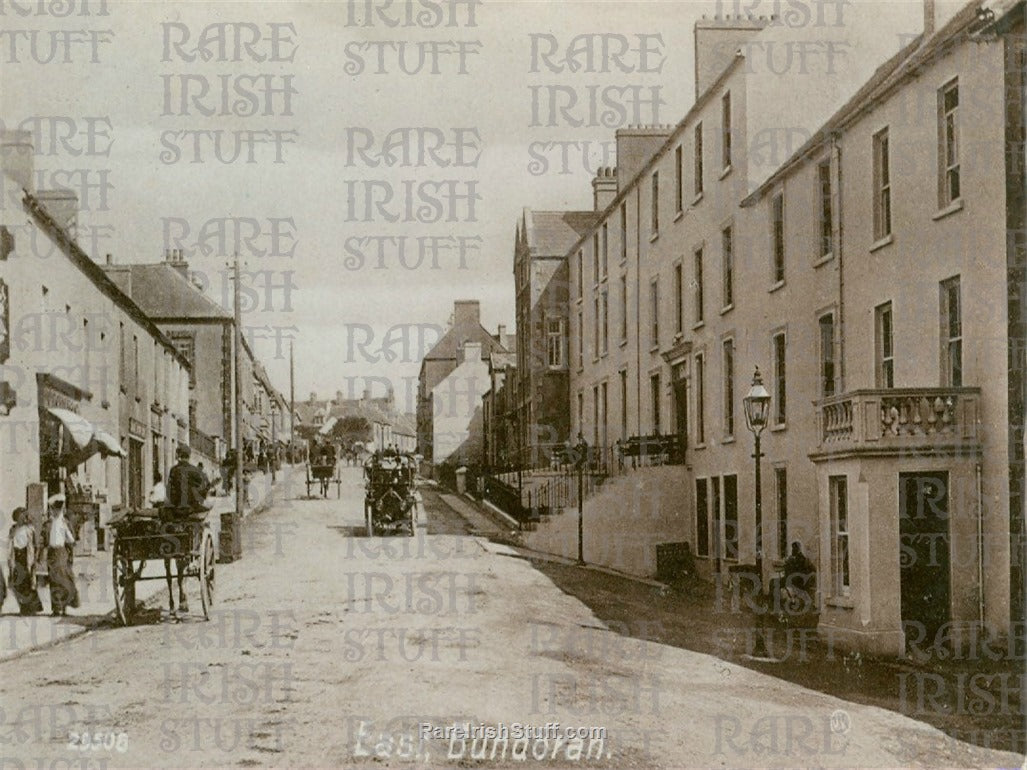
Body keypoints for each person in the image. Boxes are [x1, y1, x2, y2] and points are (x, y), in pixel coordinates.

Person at [44, 494, 79, 616]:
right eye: (54, 509)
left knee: (62, 580)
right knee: (53, 581)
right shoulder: (48, 523)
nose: (55, 511)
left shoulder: (64, 523)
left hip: (61, 553)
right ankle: (56, 609)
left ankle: (63, 608)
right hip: (52, 554)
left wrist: (70, 547)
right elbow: (44, 539)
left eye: (58, 509)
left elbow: (71, 540)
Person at [8, 507, 42, 615]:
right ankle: (23, 607)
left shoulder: (30, 529)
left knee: (28, 583)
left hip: (27, 556)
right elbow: (10, 544)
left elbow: (36, 544)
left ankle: (32, 608)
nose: (21, 518)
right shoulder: (13, 529)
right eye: (19, 516)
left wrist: (36, 558)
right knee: (18, 583)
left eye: (23, 516)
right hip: (16, 556)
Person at [165, 445, 210, 517]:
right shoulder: (195, 470)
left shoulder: (173, 470)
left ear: (179, 455)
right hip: (192, 507)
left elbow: (170, 488)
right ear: (189, 455)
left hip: (176, 507)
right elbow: (202, 488)